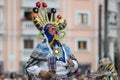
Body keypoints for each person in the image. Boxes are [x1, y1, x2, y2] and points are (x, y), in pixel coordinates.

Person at [25, 1, 79, 80]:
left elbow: (74, 68)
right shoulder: (41, 47)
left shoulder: (65, 48)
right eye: (51, 30)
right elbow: (29, 66)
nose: (54, 33)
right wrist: (40, 71)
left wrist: (73, 64)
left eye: (56, 30)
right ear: (46, 33)